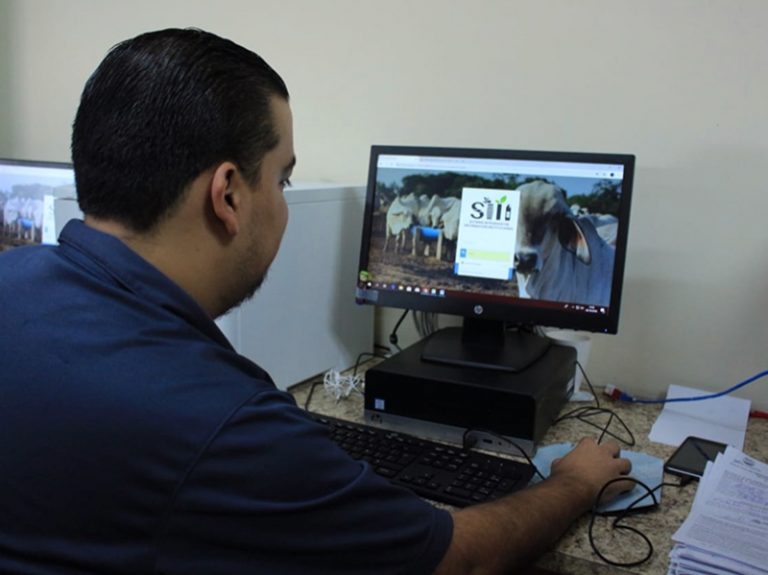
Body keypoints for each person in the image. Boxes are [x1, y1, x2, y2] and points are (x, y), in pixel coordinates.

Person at [0, 28, 631, 575]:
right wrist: (575, 484)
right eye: (283, 178)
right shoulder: (223, 422)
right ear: (228, 195)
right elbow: (457, 560)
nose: (285, 203)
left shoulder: (13, 277)